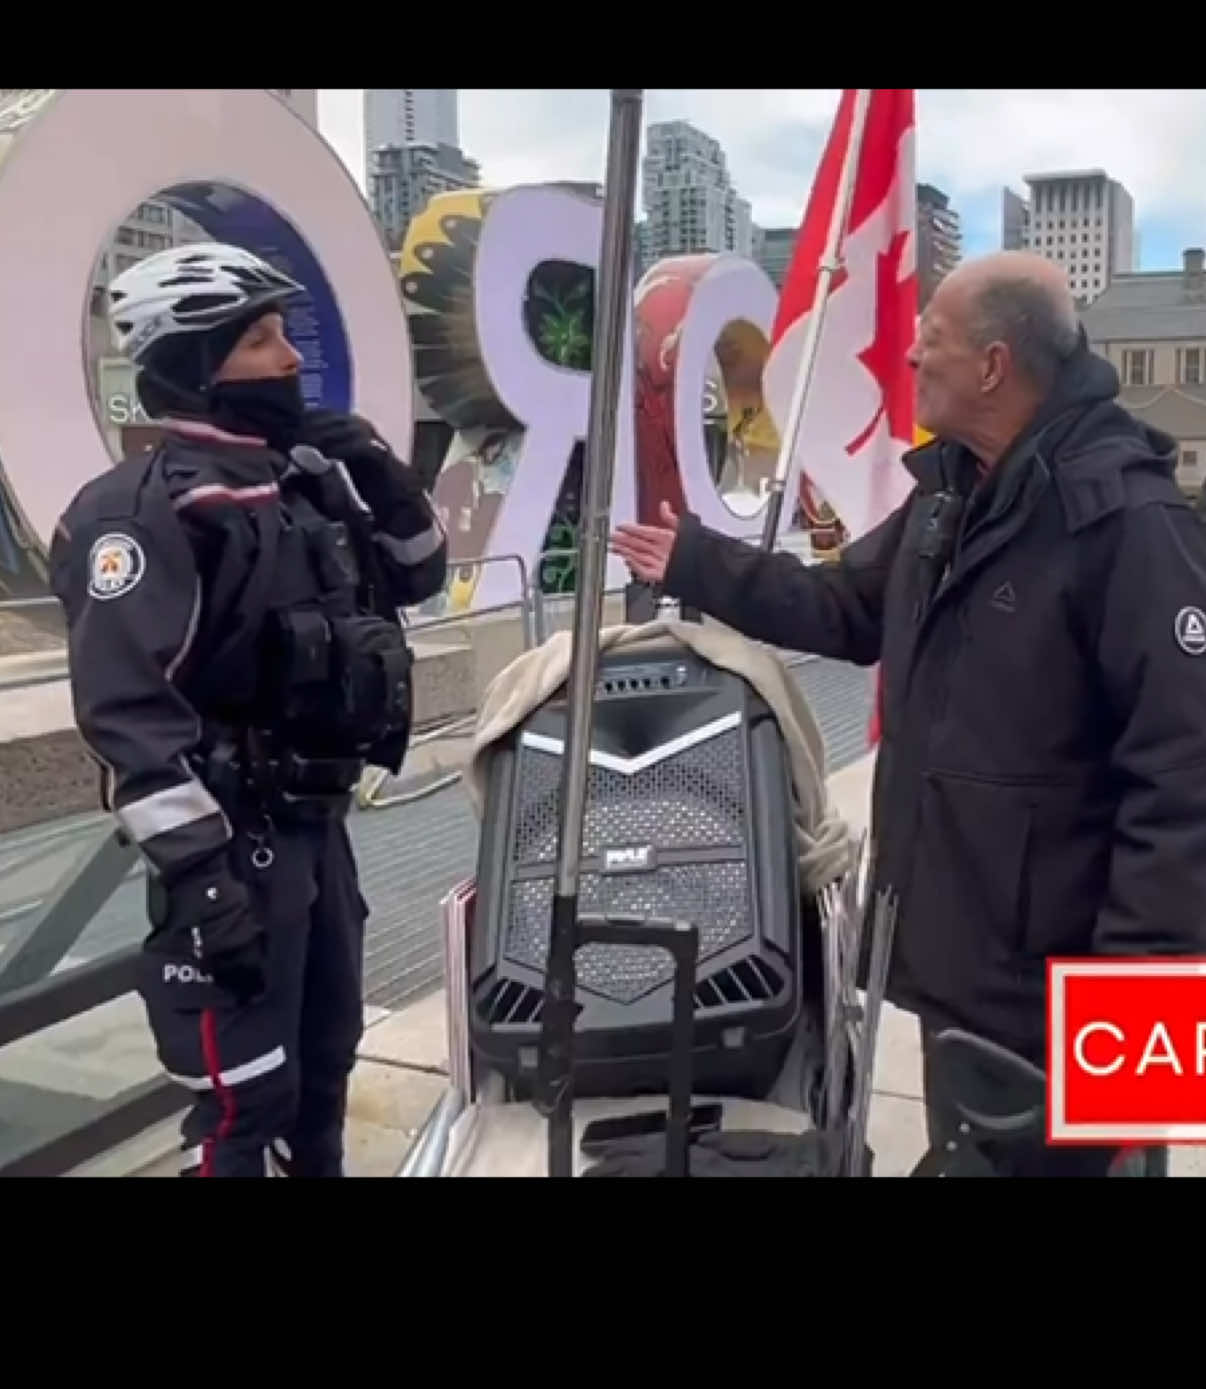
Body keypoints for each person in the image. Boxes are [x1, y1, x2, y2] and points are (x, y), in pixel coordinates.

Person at [611, 250, 1206, 1177]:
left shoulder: (1129, 523)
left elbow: (1183, 785)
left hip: (1069, 1004)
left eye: (932, 340)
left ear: (995, 366)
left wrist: (1134, 1066)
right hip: (959, 963)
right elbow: (844, 608)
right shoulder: (949, 499)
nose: (913, 359)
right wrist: (695, 563)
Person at [49, 243, 447, 1176]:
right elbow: (126, 718)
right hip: (234, 852)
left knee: (322, 1078)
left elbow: (420, 572)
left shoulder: (308, 477)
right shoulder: (143, 511)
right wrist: (204, 879)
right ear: (195, 366)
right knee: (245, 1105)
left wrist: (381, 472)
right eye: (260, 340)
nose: (290, 357)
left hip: (320, 835)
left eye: (282, 334)